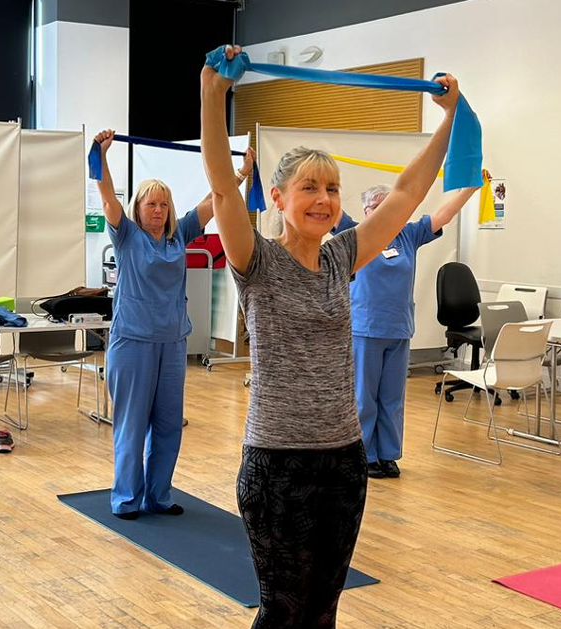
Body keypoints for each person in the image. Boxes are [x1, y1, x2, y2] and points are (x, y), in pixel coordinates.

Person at [201, 45, 462, 626]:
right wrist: (213, 93)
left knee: (323, 611)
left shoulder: (344, 255)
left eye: (333, 189)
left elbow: (405, 195)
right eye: (310, 188)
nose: (324, 200)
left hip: (343, 459)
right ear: (279, 199)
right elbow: (221, 190)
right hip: (276, 462)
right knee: (283, 611)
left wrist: (448, 119)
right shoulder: (256, 260)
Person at [93, 129, 255, 519]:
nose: (159, 210)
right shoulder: (127, 236)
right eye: (152, 204)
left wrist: (241, 173)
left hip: (172, 342)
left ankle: (159, 495)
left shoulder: (180, 234)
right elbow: (107, 196)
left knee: (168, 426)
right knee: (131, 427)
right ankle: (127, 499)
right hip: (132, 343)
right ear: (138, 208)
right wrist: (101, 156)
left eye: (164, 204)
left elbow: (213, 201)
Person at [333, 184, 474, 479]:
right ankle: (364, 455)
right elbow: (331, 211)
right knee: (363, 397)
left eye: (389, 206)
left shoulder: (408, 234)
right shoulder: (355, 234)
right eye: (377, 207)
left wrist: (471, 188)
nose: (384, 213)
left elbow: (443, 215)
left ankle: (387, 454)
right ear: (366, 211)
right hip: (365, 330)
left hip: (398, 330)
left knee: (392, 398)